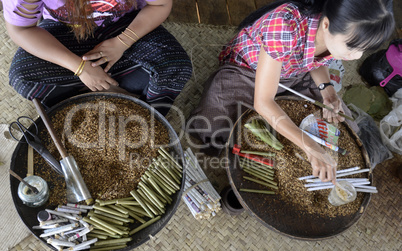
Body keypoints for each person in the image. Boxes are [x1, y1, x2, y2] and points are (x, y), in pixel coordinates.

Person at [188, 0, 395, 183]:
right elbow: (263, 102)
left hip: (296, 72)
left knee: (343, 126)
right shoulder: (285, 26)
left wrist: (327, 90)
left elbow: (317, 61)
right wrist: (311, 147)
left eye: (363, 50)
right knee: (212, 126)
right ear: (326, 25)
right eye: (352, 47)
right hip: (247, 72)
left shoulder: (335, 34)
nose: (356, 56)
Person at [3, 0, 192, 115]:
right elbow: (21, 29)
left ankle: (138, 116)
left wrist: (122, 42)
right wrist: (79, 67)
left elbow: (161, 4)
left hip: (125, 25)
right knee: (22, 77)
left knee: (175, 67)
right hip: (65, 30)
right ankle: (113, 92)